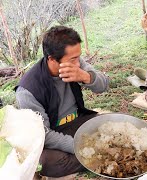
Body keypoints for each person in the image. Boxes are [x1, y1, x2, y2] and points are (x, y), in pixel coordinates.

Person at [15, 26, 109, 177]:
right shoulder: (28, 91)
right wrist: (80, 145)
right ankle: (100, 153)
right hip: (52, 134)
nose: (78, 63)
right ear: (52, 59)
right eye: (73, 60)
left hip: (76, 122)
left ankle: (95, 155)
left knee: (109, 122)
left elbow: (104, 85)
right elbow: (43, 135)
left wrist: (86, 77)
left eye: (78, 57)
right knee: (44, 162)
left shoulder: (75, 60)